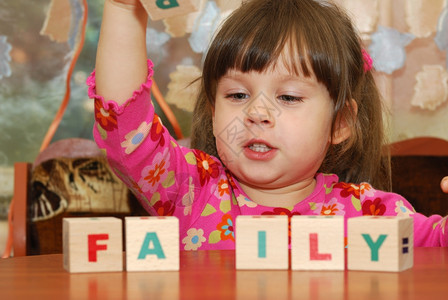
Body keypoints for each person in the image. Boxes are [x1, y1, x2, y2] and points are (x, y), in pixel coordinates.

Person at [90, 0, 448, 250]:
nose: (257, 114)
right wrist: (123, 9)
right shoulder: (191, 193)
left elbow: (438, 247)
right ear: (212, 111)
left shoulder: (375, 217)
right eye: (237, 95)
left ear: (340, 124)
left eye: (288, 98)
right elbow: (125, 130)